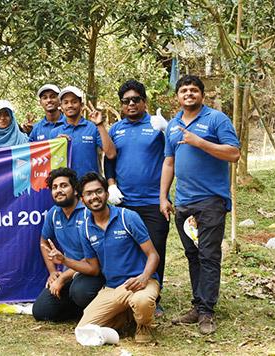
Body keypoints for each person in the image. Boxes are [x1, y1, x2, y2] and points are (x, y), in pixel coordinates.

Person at [162, 75, 240, 334]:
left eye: (194, 90)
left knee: (209, 255)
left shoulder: (216, 119)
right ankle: (197, 305)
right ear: (178, 96)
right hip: (184, 203)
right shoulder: (172, 126)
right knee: (192, 255)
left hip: (211, 201)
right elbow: (169, 162)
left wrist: (201, 143)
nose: (188, 94)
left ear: (202, 95)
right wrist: (164, 197)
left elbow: (233, 153)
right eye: (183, 90)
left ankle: (207, 312)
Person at [42, 172, 160, 343]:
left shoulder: (128, 217)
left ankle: (143, 325)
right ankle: (127, 316)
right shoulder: (86, 229)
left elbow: (153, 255)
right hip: (112, 288)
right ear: (82, 199)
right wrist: (65, 261)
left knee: (142, 301)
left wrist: (144, 277)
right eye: (89, 194)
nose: (94, 197)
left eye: (98, 191)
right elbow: (92, 268)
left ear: (106, 194)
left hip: (140, 283)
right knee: (84, 331)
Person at [104, 80, 169, 316]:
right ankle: (130, 294)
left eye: (135, 100)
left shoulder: (156, 125)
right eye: (126, 101)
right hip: (125, 203)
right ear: (121, 106)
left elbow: (174, 154)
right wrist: (111, 185)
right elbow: (109, 159)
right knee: (130, 250)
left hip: (153, 201)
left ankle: (155, 296)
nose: (131, 104)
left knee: (155, 249)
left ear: (144, 101)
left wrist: (167, 129)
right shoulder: (116, 129)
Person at [32, 168, 104, 322]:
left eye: (64, 186)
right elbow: (43, 242)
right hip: (70, 273)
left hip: (93, 272)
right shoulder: (54, 213)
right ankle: (79, 310)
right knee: (41, 311)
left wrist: (62, 278)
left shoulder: (88, 213)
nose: (59, 190)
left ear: (76, 191)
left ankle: (101, 307)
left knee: (80, 292)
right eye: (55, 187)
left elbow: (95, 260)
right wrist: (52, 272)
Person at [48, 86, 116, 178]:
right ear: (61, 106)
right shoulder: (55, 132)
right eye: (66, 102)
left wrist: (100, 124)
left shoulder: (93, 128)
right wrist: (57, 145)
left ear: (82, 105)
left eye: (74, 102)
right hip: (66, 187)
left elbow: (111, 154)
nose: (70, 105)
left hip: (90, 187)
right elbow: (49, 163)